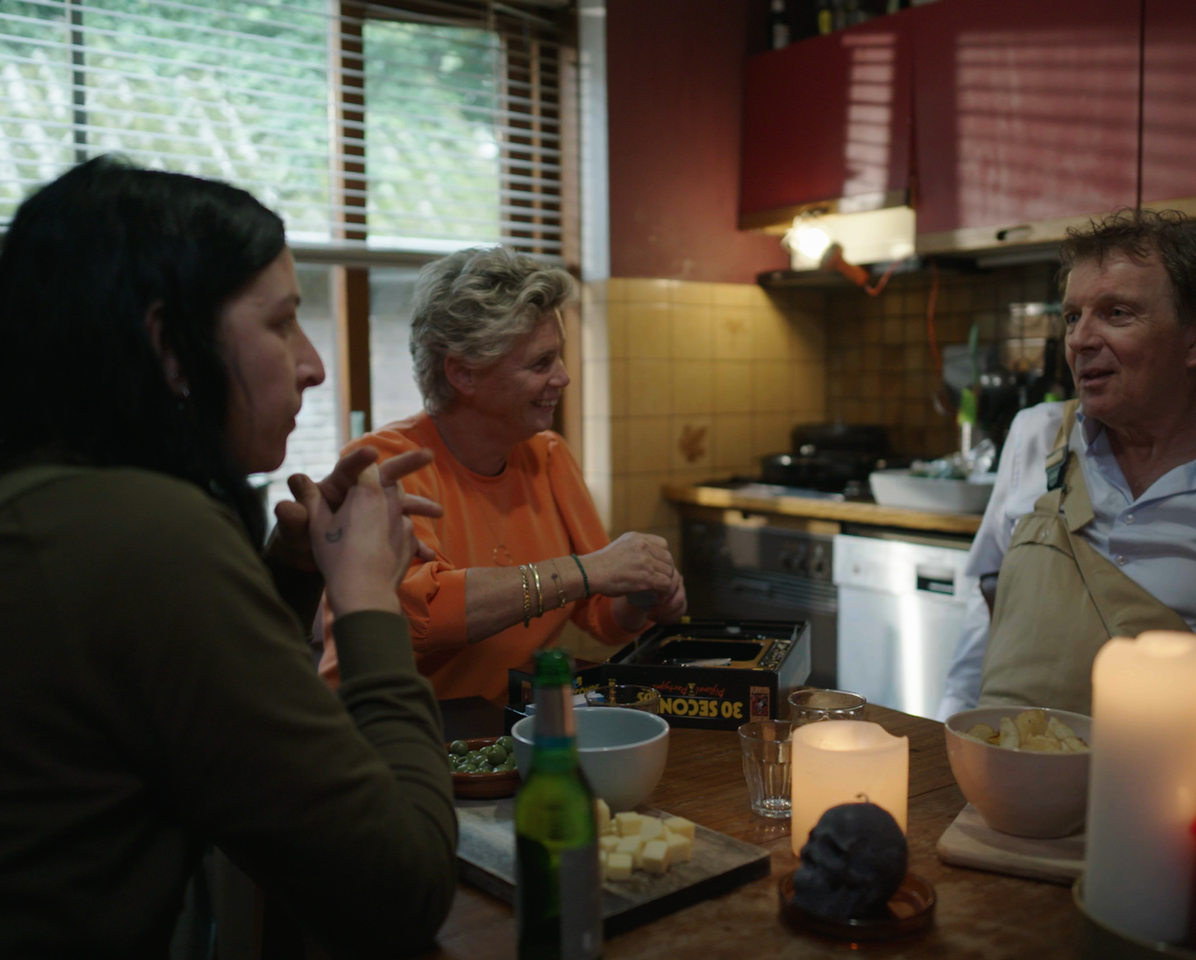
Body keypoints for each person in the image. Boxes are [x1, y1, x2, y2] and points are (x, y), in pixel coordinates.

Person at [0, 157, 457, 958]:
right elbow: (398, 894)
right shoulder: (151, 535)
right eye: (280, 324)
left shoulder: (51, 504)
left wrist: (291, 570)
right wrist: (367, 601)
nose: (313, 364)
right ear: (170, 348)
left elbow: (191, 713)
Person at [937, 208, 1196, 722]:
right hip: (1004, 765)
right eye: (1073, 316)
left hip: (1180, 770)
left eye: (1116, 313)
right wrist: (949, 729)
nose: (1080, 340)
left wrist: (1126, 741)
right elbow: (986, 609)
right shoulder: (1036, 436)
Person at [318, 246, 686, 703]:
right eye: (541, 363)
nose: (563, 378)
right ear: (463, 374)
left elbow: (599, 614)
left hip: (508, 726)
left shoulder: (548, 455)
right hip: (391, 728)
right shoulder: (384, 463)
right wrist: (589, 570)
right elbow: (421, 616)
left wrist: (642, 593)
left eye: (559, 358)